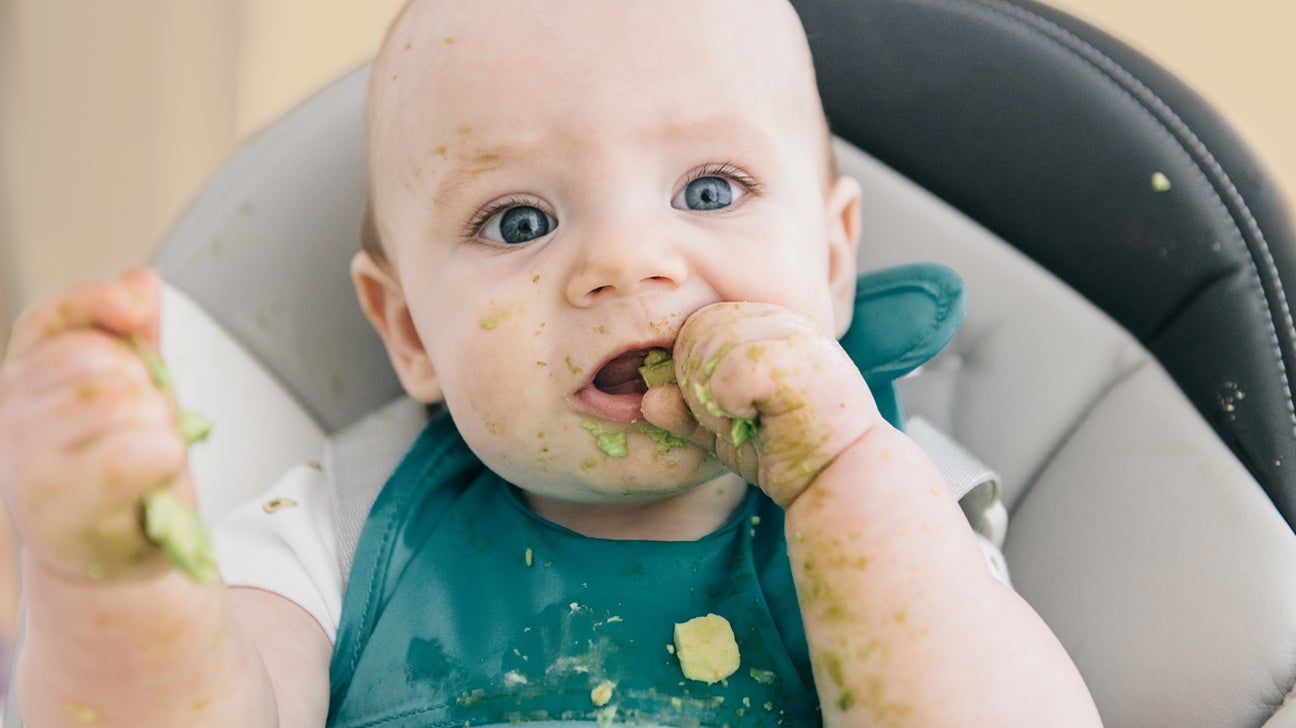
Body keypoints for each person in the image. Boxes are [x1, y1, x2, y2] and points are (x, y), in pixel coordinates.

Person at [0, 0, 1103, 726]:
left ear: (829, 259)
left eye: (709, 191)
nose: (625, 261)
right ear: (411, 333)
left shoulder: (899, 499)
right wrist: (113, 582)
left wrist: (843, 477)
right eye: (519, 220)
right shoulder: (335, 525)